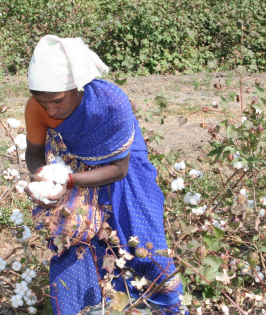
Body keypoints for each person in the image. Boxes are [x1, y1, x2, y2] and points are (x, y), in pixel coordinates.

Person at [25, 35, 187, 315]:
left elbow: (119, 168)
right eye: (42, 101)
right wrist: (44, 176)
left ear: (79, 87)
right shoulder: (37, 108)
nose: (50, 109)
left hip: (126, 183)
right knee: (73, 254)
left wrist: (69, 181)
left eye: (57, 100)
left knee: (145, 251)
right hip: (71, 179)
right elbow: (34, 153)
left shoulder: (110, 103)